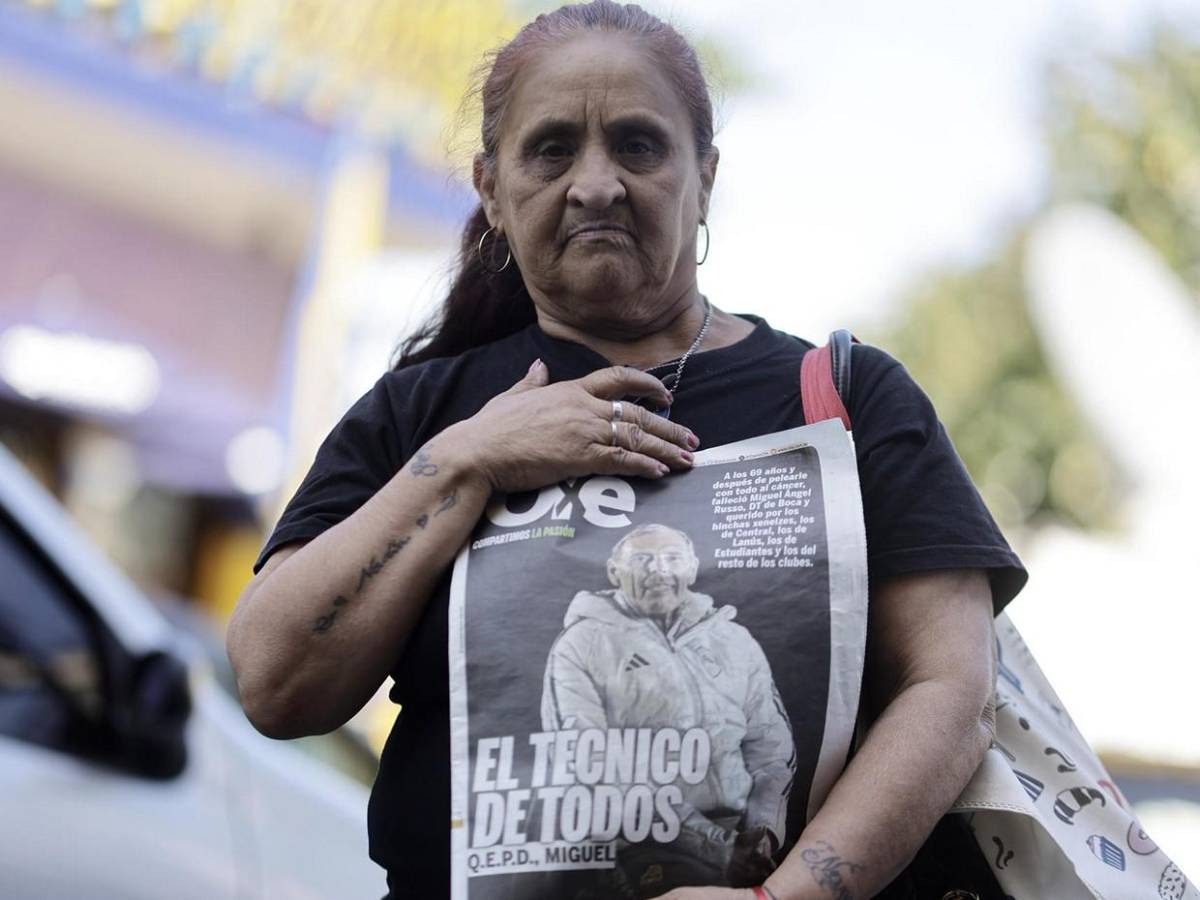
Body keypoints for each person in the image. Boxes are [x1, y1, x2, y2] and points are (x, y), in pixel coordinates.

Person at [226, 2, 1026, 898]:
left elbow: (953, 693)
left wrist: (785, 897)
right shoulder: (425, 411)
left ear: (705, 176)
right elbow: (273, 680)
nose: (596, 184)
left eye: (639, 146)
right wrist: (468, 462)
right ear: (492, 186)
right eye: (553, 148)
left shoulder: (850, 402)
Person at [541, 524, 794, 891]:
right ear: (614, 573)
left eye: (671, 559)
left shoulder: (733, 639)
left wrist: (763, 830)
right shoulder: (580, 645)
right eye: (642, 560)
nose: (659, 571)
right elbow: (592, 768)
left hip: (746, 845)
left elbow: (770, 748)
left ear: (691, 568)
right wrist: (718, 848)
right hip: (643, 848)